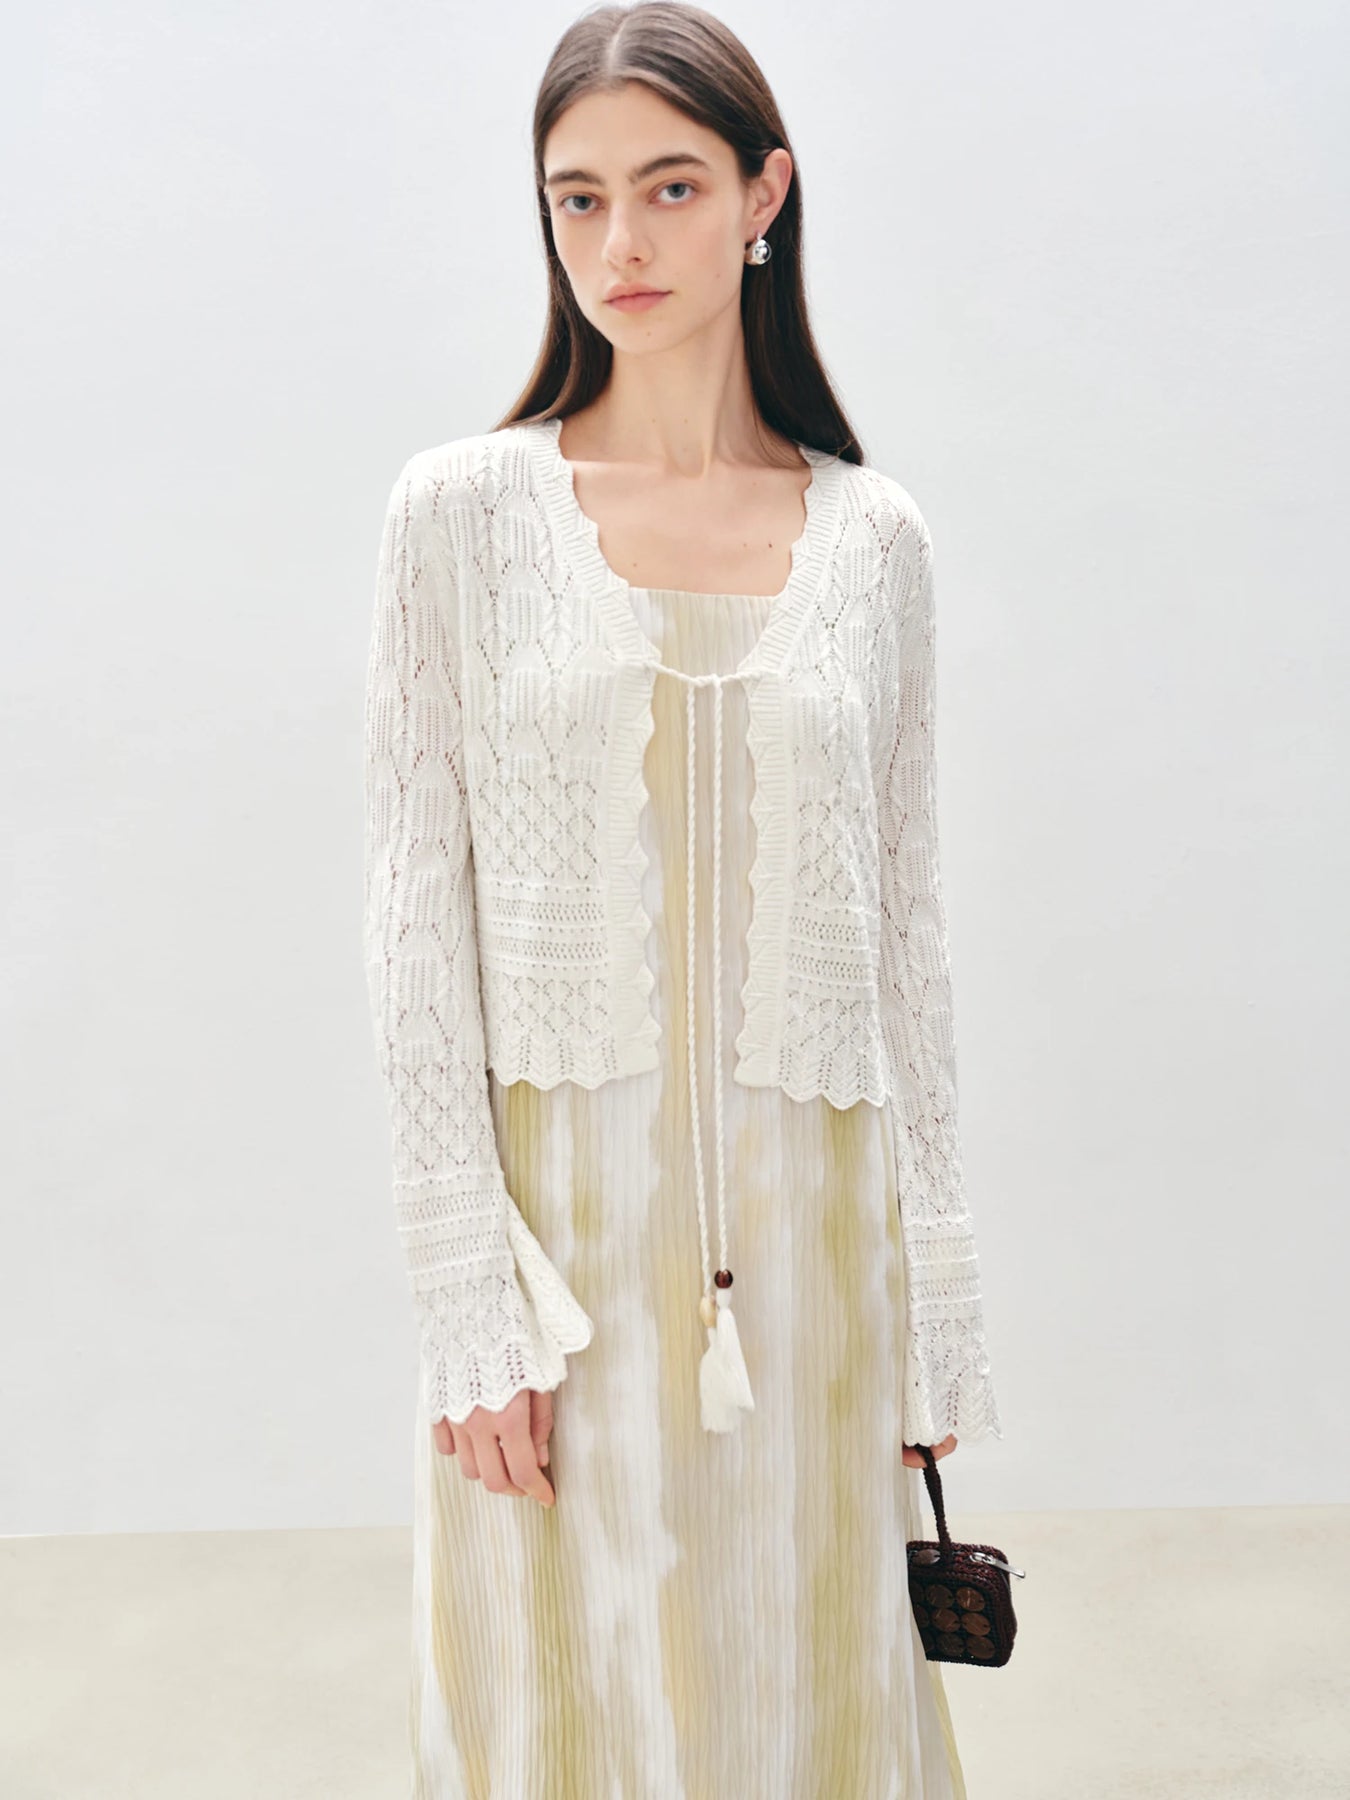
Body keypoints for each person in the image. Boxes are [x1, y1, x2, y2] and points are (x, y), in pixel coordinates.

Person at [362, 3, 1003, 1792]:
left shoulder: (874, 540)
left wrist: (937, 1292)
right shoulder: (460, 517)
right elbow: (413, 912)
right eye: (577, 198)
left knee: (807, 1708)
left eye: (668, 187)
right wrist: (461, 1287)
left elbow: (909, 932)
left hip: (817, 1255)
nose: (619, 243)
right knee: (558, 1712)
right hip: (557, 1262)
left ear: (761, 198)